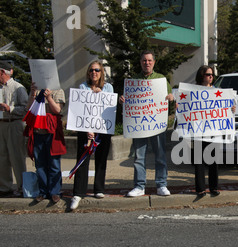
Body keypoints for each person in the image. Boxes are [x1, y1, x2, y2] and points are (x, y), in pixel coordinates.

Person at [121, 50, 174, 197]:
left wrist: (171, 97)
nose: (147, 63)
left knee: (160, 155)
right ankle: (139, 186)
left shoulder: (161, 79)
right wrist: (123, 101)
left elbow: (170, 100)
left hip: (156, 124)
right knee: (139, 157)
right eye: (144, 60)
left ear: (154, 62)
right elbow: (128, 102)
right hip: (139, 126)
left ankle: (161, 184)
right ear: (140, 62)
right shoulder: (133, 81)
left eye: (149, 60)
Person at [70, 60, 115, 210]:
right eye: (91, 70)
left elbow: (110, 108)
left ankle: (99, 189)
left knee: (101, 160)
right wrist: (87, 128)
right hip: (86, 131)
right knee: (83, 160)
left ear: (101, 72)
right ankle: (78, 192)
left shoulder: (108, 87)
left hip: (103, 130)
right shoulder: (83, 87)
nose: (94, 73)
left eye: (97, 70)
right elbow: (81, 109)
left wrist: (101, 95)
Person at [25, 83, 66, 203]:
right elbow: (29, 108)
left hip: (52, 132)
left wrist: (49, 98)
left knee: (54, 164)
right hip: (38, 131)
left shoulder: (58, 90)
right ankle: (43, 191)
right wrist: (33, 93)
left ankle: (55, 192)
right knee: (40, 164)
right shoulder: (37, 90)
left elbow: (57, 110)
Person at [191, 65, 221, 198]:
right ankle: (200, 189)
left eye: (212, 75)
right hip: (198, 130)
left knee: (213, 160)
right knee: (199, 160)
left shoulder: (217, 91)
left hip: (213, 129)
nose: (211, 77)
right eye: (208, 74)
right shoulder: (193, 91)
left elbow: (223, 109)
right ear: (201, 76)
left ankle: (214, 187)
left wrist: (230, 108)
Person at [0, 61, 29, 197]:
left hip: (14, 123)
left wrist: (9, 108)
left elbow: (25, 109)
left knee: (17, 156)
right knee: (2, 156)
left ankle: (22, 186)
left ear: (2, 72)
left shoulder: (18, 87)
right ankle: (5, 187)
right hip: (1, 124)